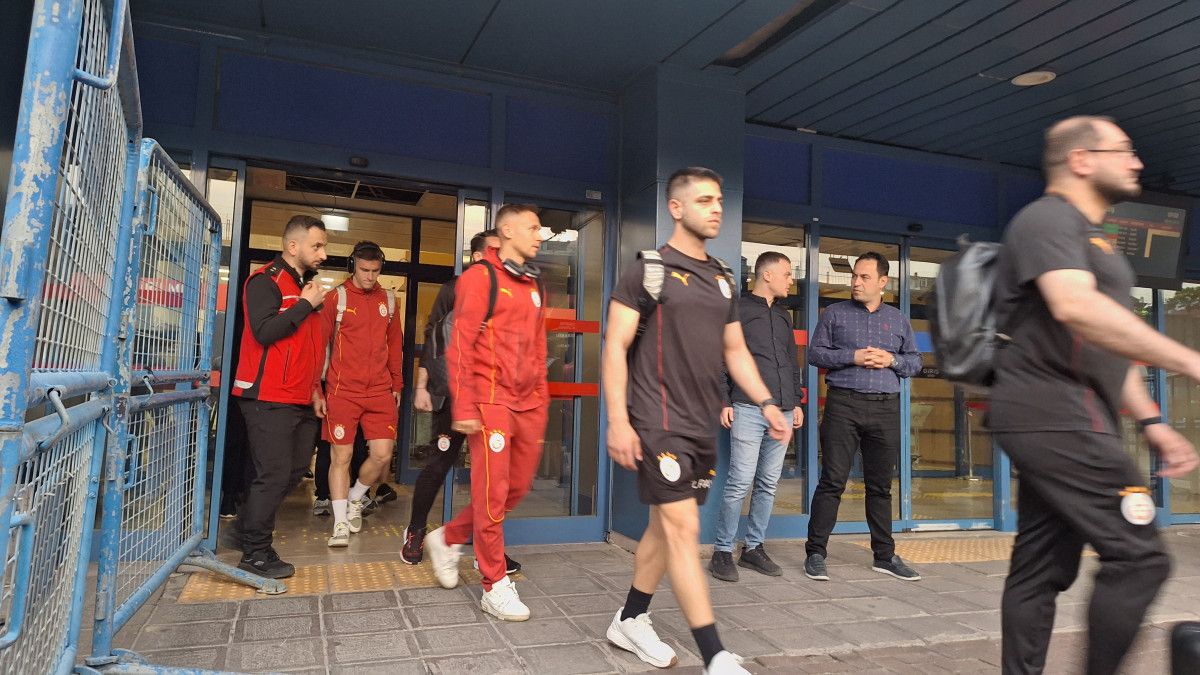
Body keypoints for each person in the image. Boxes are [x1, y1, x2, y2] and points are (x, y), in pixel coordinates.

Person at [990, 115, 1199, 675]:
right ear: (1081, 160)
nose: (1137, 162)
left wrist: (1152, 421)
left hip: (1066, 411)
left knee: (1039, 568)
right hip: (1052, 409)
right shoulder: (1048, 218)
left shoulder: (1092, 236)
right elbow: (1075, 307)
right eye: (1125, 150)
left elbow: (1104, 343)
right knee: (1140, 556)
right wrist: (1188, 360)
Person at [604, 167, 792, 674]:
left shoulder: (723, 278)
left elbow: (736, 351)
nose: (716, 208)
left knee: (663, 527)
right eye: (705, 200)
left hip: (698, 423)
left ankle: (630, 618)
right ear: (676, 207)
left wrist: (766, 402)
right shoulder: (649, 269)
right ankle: (716, 656)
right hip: (656, 417)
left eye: (720, 200)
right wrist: (618, 420)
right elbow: (616, 346)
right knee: (684, 527)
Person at [424, 205, 548, 622]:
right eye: (533, 228)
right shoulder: (480, 278)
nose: (540, 235)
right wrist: (464, 405)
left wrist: (541, 399)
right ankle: (494, 584)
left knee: (517, 486)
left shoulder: (534, 283)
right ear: (507, 230)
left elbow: (538, 346)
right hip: (490, 401)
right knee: (492, 493)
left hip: (528, 403)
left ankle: (449, 537)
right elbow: (460, 344)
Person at [400, 229, 521, 576]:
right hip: (454, 395)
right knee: (439, 464)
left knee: (491, 476)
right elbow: (432, 337)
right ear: (478, 257)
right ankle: (416, 532)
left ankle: (489, 551)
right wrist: (422, 386)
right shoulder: (454, 289)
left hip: (492, 398)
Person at [805, 251, 922, 582]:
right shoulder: (834, 314)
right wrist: (852, 356)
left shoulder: (898, 319)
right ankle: (815, 553)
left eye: (864, 277)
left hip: (886, 408)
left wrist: (892, 361)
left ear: (883, 282)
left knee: (880, 486)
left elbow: (915, 361)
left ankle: (884, 556)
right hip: (843, 405)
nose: (856, 282)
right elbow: (815, 354)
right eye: (854, 276)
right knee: (832, 481)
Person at [230, 214, 328, 578]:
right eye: (317, 246)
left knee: (295, 470)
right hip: (267, 395)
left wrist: (316, 389)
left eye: (323, 247)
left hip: (300, 396)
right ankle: (255, 553)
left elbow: (309, 348)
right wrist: (304, 305)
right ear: (293, 246)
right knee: (272, 473)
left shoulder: (305, 287)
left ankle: (244, 528)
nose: (323, 254)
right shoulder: (265, 281)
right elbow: (264, 331)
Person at [710, 251, 805, 582]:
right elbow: (724, 357)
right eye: (787, 273)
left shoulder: (783, 315)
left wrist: (796, 402)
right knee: (740, 481)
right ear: (767, 275)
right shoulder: (737, 309)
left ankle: (753, 548)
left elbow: (791, 361)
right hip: (748, 408)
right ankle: (722, 551)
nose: (791, 280)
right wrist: (725, 400)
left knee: (768, 483)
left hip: (784, 410)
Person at [313, 241, 404, 547]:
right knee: (342, 456)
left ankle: (356, 496)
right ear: (353, 266)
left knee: (382, 455)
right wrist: (317, 389)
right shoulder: (335, 298)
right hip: (342, 390)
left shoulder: (389, 301)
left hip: (379, 391)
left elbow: (395, 346)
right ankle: (340, 523)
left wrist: (397, 385)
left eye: (375, 271)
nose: (369, 276)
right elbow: (319, 347)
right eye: (364, 270)